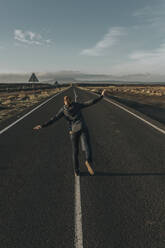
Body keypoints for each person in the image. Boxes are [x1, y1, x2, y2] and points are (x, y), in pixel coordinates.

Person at [33, 89, 106, 176]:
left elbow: (54, 119)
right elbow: (90, 102)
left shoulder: (63, 110)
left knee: (75, 151)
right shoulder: (77, 105)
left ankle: (76, 171)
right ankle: (88, 161)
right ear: (71, 101)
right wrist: (101, 96)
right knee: (87, 146)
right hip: (82, 127)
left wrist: (42, 125)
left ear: (64, 102)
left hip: (73, 131)